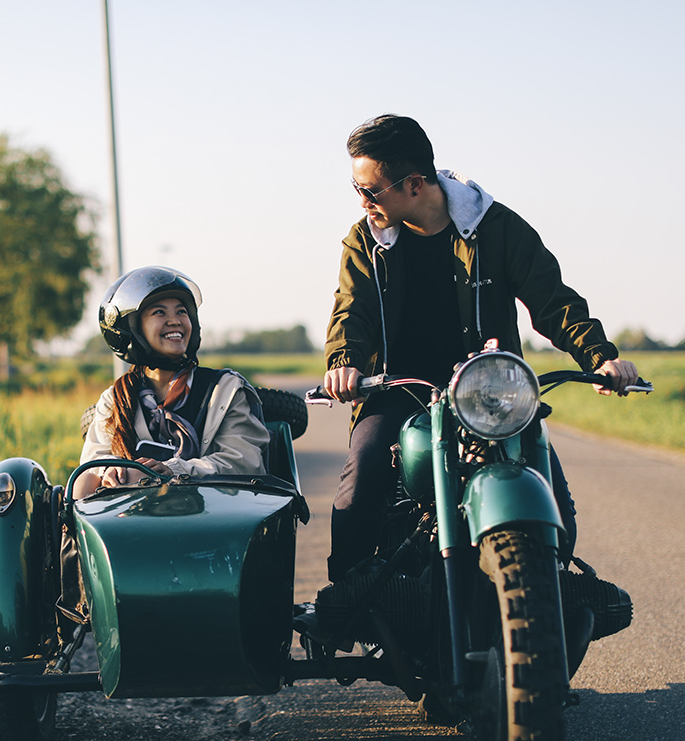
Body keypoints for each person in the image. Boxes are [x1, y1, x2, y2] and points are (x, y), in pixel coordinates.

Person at [323, 114, 639, 583]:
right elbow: (353, 309)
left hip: (492, 394)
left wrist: (600, 356)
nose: (363, 201)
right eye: (357, 189)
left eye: (371, 190)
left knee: (555, 505)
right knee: (363, 476)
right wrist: (343, 363)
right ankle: (345, 598)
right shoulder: (365, 241)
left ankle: (554, 592)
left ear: (414, 184)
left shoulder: (496, 227)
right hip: (398, 391)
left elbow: (552, 300)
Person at [73, 265, 270, 494]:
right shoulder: (116, 399)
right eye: (159, 312)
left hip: (212, 512)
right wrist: (110, 470)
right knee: (82, 485)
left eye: (181, 311)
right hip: (131, 517)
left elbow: (243, 462)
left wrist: (171, 470)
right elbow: (95, 459)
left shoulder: (224, 390)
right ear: (134, 329)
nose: (174, 320)